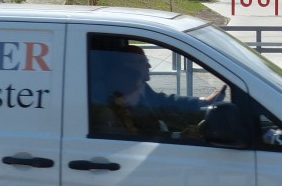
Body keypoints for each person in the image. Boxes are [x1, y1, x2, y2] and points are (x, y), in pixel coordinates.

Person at [91, 45, 225, 137]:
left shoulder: (137, 86)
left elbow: (164, 102)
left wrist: (203, 102)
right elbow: (140, 136)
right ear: (127, 68)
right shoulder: (106, 97)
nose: (149, 65)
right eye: (143, 62)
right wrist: (179, 136)